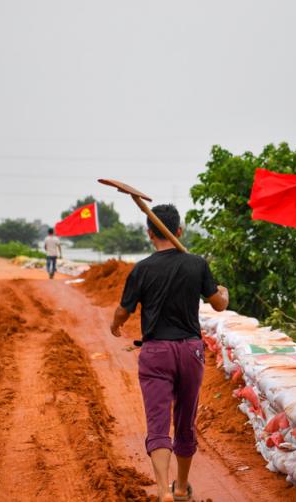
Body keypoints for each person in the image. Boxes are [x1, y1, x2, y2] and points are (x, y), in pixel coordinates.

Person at [109, 204, 229, 502]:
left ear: (150, 233)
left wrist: (115, 325)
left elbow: (123, 311)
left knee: (158, 422)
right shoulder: (197, 264)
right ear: (179, 231)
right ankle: (180, 487)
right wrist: (223, 291)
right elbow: (219, 303)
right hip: (191, 351)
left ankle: (162, 490)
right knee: (185, 421)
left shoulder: (142, 269)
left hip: (156, 352)